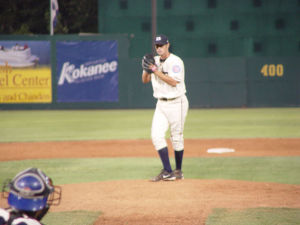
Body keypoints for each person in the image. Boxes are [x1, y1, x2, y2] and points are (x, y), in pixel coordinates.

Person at [141, 34, 189, 182]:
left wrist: (155, 70)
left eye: (161, 45)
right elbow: (145, 81)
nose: (159, 48)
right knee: (156, 135)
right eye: (157, 46)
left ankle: (178, 171)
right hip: (161, 104)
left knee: (176, 137)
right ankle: (168, 171)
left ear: (167, 45)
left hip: (177, 102)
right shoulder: (153, 61)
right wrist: (146, 69)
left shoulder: (176, 62)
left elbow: (174, 82)